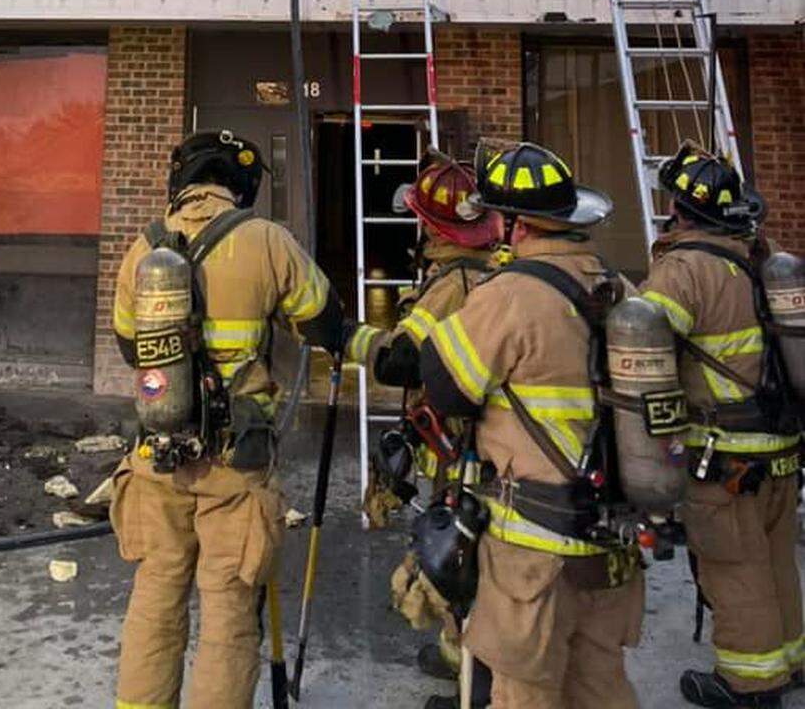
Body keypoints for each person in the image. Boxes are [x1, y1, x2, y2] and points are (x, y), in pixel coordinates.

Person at [109, 129, 380, 709]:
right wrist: (382, 349)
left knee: (155, 596)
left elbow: (131, 349)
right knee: (229, 610)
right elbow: (323, 324)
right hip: (237, 460)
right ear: (241, 183)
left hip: (157, 453)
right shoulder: (265, 240)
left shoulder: (143, 248)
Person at [387, 140, 645, 709]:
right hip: (608, 535)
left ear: (511, 223)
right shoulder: (617, 287)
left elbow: (448, 386)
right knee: (600, 681)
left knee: (525, 687)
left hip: (533, 541)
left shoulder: (513, 295)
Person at [640, 142, 802, 708]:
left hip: (724, 456)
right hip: (782, 447)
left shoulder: (683, 271)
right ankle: (789, 661)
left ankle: (751, 686)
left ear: (682, 212)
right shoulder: (765, 257)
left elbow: (639, 349)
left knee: (735, 569)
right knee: (776, 558)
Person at [373, 152, 500, 709]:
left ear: (432, 227)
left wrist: (356, 341)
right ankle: (457, 652)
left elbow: (404, 360)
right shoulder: (495, 267)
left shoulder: (453, 283)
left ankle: (477, 683)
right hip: (484, 440)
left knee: (463, 558)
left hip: (461, 443)